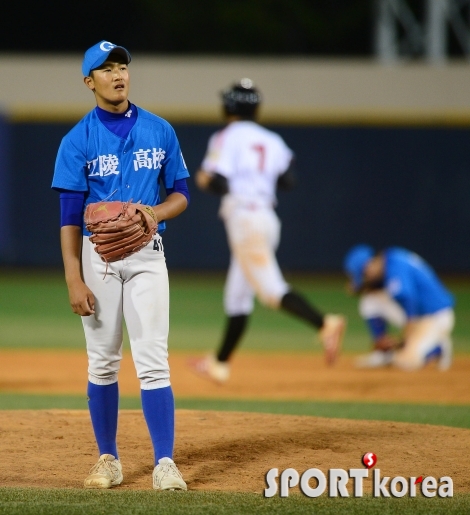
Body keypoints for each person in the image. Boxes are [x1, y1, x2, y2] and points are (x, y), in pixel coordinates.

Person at [51, 41, 189, 490]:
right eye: (106, 68)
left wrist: (156, 213)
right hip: (98, 259)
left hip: (148, 255)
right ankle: (107, 458)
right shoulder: (77, 141)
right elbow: (70, 219)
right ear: (89, 81)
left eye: (123, 66)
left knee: (153, 361)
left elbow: (181, 194)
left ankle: (164, 463)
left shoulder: (160, 130)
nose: (118, 74)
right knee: (103, 363)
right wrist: (74, 278)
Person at [188, 78, 346, 384]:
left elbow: (218, 181)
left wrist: (206, 180)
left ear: (229, 106)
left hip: (246, 220)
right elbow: (288, 181)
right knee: (237, 297)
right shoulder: (272, 140)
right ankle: (219, 364)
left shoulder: (226, 136)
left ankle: (325, 323)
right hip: (267, 218)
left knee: (272, 290)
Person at [343, 244, 455, 371]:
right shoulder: (390, 260)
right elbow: (377, 287)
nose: (365, 279)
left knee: (408, 362)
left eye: (363, 275)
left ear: (369, 266)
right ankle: (383, 354)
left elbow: (408, 298)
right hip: (420, 314)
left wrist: (406, 338)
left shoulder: (395, 265)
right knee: (370, 299)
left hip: (435, 317)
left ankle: (439, 347)